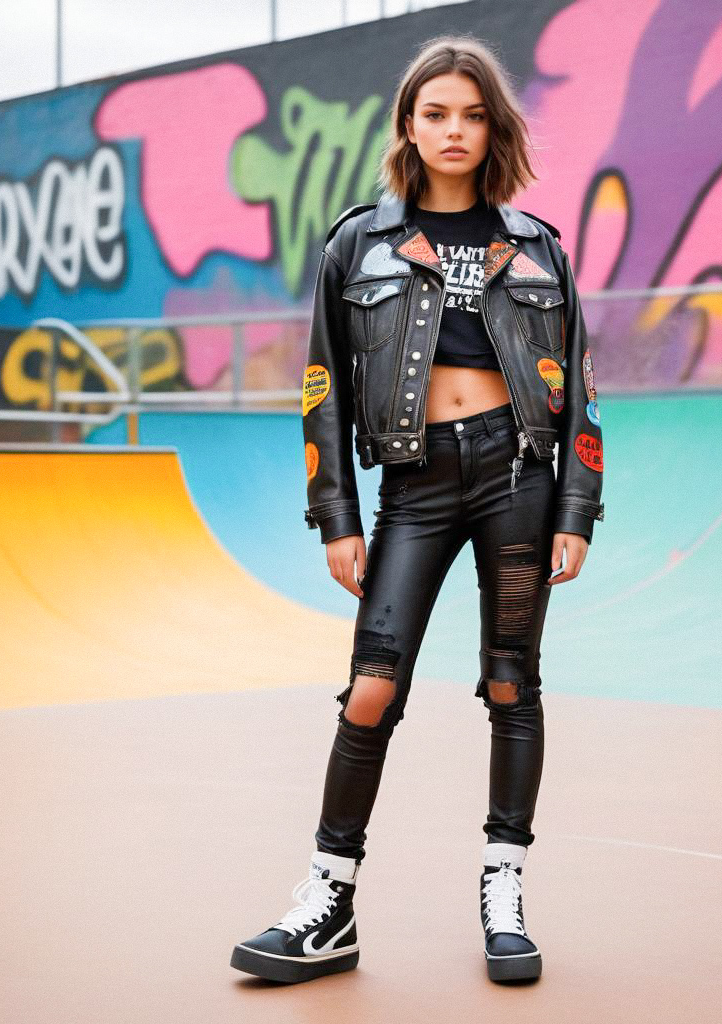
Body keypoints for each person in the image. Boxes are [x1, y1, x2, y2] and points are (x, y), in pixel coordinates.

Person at [231, 34, 604, 986]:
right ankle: (328, 903)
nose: (454, 130)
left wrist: (577, 505)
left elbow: (581, 394)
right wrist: (336, 516)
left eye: (473, 114)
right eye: (436, 113)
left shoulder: (538, 248)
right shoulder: (359, 243)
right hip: (414, 484)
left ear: (495, 130)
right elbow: (322, 386)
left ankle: (505, 891)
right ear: (408, 125)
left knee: (512, 684)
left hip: (518, 478)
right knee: (372, 686)